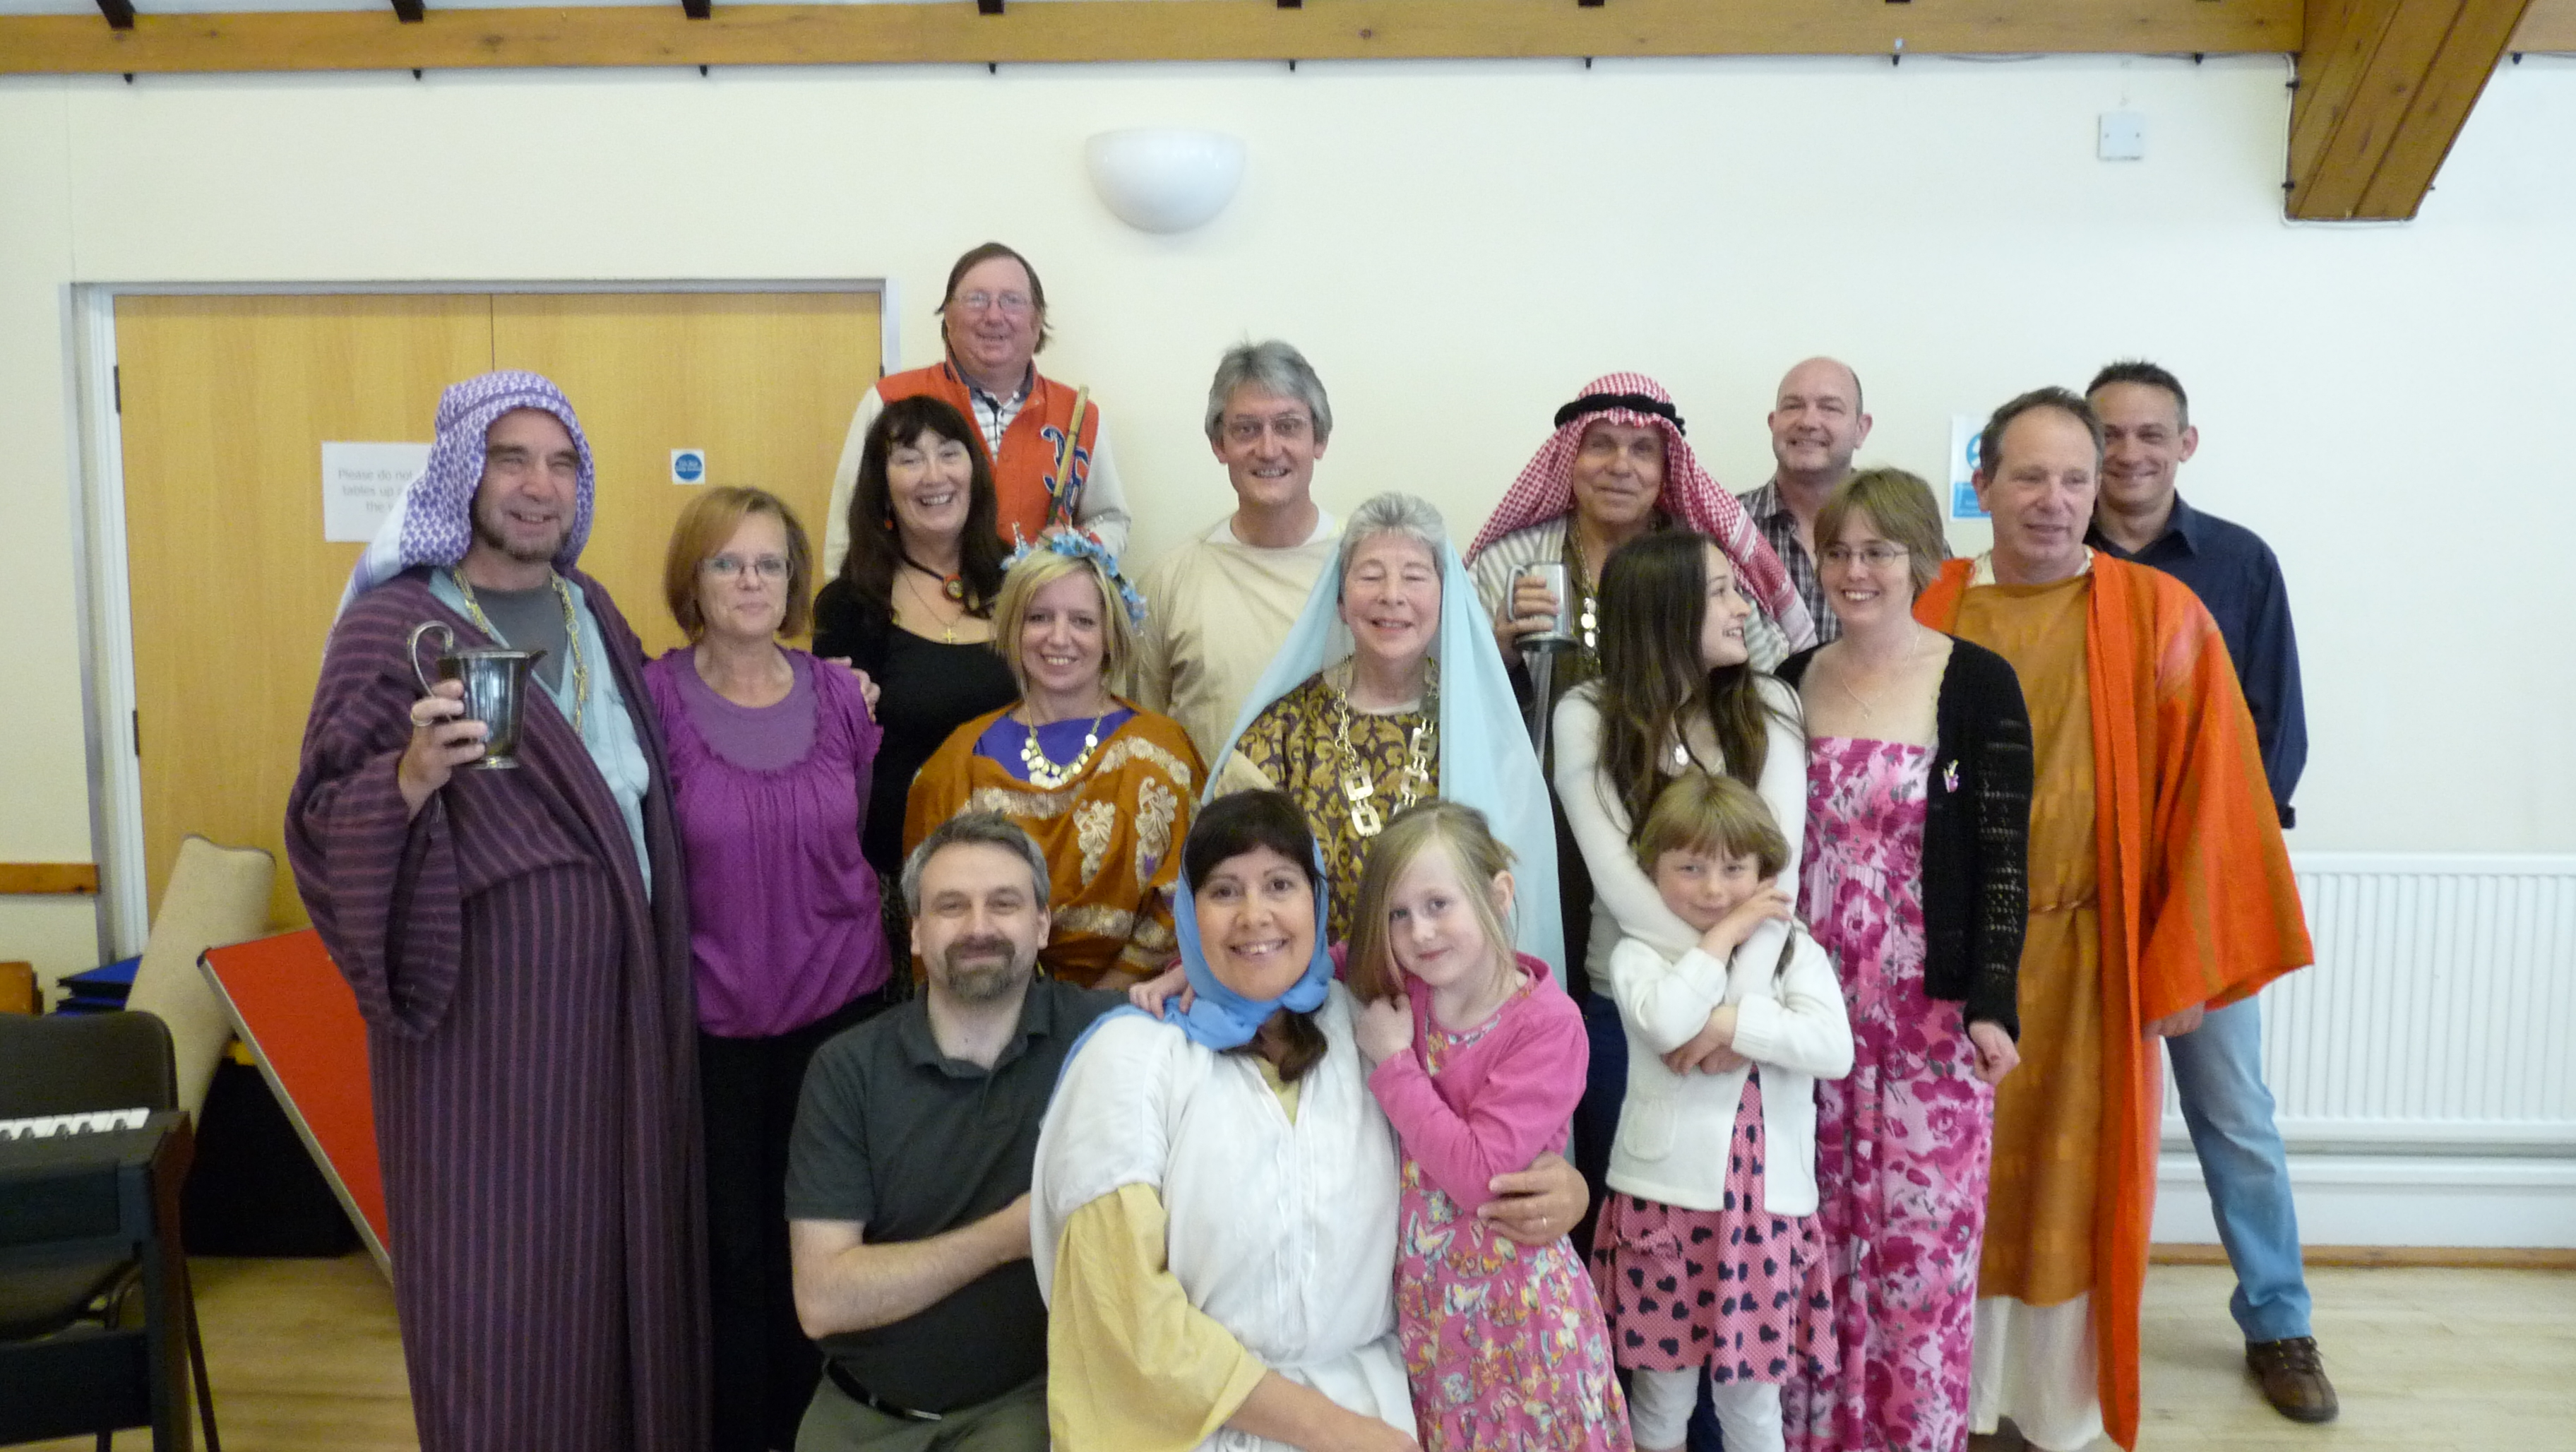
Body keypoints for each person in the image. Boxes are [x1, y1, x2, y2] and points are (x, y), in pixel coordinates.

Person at [287, 370, 705, 1451]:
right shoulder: (395, 627)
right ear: (461, 474)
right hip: (484, 1047)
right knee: (500, 1296)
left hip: (620, 1023)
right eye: (511, 459)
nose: (537, 486)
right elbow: (323, 822)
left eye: (561, 464)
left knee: (614, 1279)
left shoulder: (593, 611)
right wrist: (410, 776)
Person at [1916, 388, 2311, 1452]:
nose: (2053, 500)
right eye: (2029, 477)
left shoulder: (2158, 614)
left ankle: (2047, 1408)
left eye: (2074, 480)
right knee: (1950, 1178)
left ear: (2097, 492)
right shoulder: (1929, 604)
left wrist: (2184, 964)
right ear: (1983, 483)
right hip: (1947, 962)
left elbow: (2215, 794)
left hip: (2096, 955)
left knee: (2071, 1187)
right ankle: (1945, 1398)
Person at [1031, 790, 1593, 1451]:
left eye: (1280, 885)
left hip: (1394, 1400)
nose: (1254, 915)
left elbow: (1472, 1148)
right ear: (1187, 913)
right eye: (1223, 891)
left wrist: (1568, 1190)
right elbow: (1122, 1313)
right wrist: (1336, 1433)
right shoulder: (1132, 1057)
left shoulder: (1372, 1025)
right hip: (1196, 1428)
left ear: (1317, 902)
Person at [2082, 359, 2330, 1423]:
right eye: (2110, 434)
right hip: (2075, 897)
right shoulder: (2044, 558)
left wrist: (2199, 868)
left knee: (2233, 1113)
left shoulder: (2240, 564)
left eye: (2152, 433)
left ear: (2187, 444)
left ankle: (2280, 1324)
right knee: (2065, 1111)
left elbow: (2276, 735)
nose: (2130, 453)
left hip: (2203, 892)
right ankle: (2062, 1332)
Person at [1770, 469, 2031, 1452]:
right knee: (1807, 1245)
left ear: (1921, 559)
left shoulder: (1979, 683)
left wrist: (1993, 1002)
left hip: (1928, 1019)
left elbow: (2003, 861)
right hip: (1806, 1014)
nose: (1856, 570)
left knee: (1921, 1260)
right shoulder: (1790, 678)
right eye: (1838, 551)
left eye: (1878, 551)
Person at [643, 486, 896, 1452]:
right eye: (727, 563)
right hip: (713, 1031)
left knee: (833, 1251)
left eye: (769, 564)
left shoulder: (841, 697)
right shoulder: (653, 700)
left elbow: (853, 830)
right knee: (734, 1258)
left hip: (840, 1022)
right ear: (693, 581)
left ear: (793, 580)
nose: (750, 582)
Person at [784, 813, 1121, 1451]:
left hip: (1017, 1410)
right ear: (915, 931)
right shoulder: (847, 1069)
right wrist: (1012, 1234)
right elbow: (823, 1299)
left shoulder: (1109, 1034)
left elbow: (1243, 1007)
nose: (978, 928)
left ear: (1042, 924)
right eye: (951, 906)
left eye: (1004, 904)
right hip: (858, 1412)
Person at [1345, 801, 1630, 1452]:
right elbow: (1302, 960)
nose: (1419, 932)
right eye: (1398, 914)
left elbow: (1480, 1175)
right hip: (1436, 1330)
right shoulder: (1411, 984)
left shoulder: (1547, 1025)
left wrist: (1394, 1066)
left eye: (1438, 904)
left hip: (1525, 1332)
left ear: (1498, 894)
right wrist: (1194, 966)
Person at [1553, 532, 1811, 1237]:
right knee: (1632, 1233)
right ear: (1666, 611)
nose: (1743, 608)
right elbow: (1618, 881)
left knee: (1742, 1237)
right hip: (1632, 1008)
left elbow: (1781, 874)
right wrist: (1705, 988)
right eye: (1721, 592)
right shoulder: (1586, 713)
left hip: (1757, 1001)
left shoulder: (1772, 704)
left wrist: (1739, 1013)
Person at [1591, 771, 1854, 1452]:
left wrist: (1733, 1025)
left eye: (1734, 870)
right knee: (1660, 1400)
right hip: (1665, 1210)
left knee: (1753, 1409)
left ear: (1763, 872)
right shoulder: (1638, 953)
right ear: (1652, 870)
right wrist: (1728, 933)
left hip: (1765, 1217)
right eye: (1690, 868)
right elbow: (1667, 1021)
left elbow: (1833, 1048)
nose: (1712, 889)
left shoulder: (1793, 952)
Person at [1214, 491, 1561, 967]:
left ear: (1445, 597)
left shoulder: (1484, 725)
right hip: (1307, 992)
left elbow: (1518, 892)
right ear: (1340, 600)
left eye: (1414, 576)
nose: (1392, 595)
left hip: (1456, 996)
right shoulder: (1284, 729)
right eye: (1371, 576)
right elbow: (1227, 877)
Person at [903, 533, 1202, 987]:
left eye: (1082, 621)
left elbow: (1187, 903)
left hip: (1135, 1012)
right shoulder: (957, 762)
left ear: (1110, 636)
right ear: (1013, 628)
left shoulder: (1163, 752)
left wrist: (1092, 1013)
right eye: (1039, 617)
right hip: (984, 1007)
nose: (1059, 638)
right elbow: (931, 914)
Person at [1470, 371, 1813, 722]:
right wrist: (1500, 656)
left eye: (1643, 449)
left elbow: (1761, 691)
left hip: (1684, 756)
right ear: (1570, 457)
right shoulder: (1507, 562)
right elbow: (1457, 697)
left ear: (1666, 469)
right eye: (1600, 445)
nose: (1620, 466)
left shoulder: (1706, 561)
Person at [813, 395, 1020, 944]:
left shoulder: (1022, 584)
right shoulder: (851, 604)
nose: (934, 475)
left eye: (949, 453)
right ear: (882, 488)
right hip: (898, 880)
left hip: (1018, 863)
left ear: (974, 472)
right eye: (909, 459)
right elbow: (831, 758)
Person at [823, 242, 1130, 570]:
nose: (994, 316)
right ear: (948, 316)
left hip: (1038, 602)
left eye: (1011, 300)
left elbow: (1110, 520)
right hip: (918, 600)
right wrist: (846, 595)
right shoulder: (889, 400)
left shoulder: (1079, 414)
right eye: (977, 299)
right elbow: (849, 526)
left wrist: (1076, 543)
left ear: (1036, 320)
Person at [1133, 340, 1346, 765]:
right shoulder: (1168, 581)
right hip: (1210, 810)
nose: (1268, 449)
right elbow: (1141, 739)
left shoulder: (1367, 571)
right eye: (1247, 429)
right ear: (1219, 445)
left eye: (1287, 426)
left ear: (1319, 439)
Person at [1737, 358, 1880, 646]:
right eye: (1793, 406)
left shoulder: (1904, 530)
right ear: (1773, 423)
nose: (1808, 422)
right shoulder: (1725, 528)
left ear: (1861, 429)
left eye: (1829, 408)